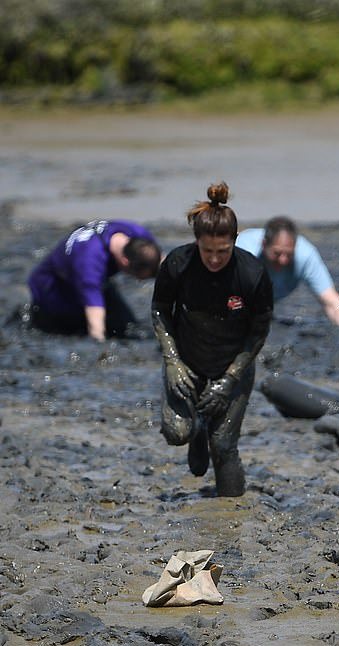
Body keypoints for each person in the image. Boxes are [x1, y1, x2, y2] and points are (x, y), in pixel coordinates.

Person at [151, 182, 273, 497]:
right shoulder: (178, 264)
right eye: (207, 251)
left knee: (223, 445)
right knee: (177, 432)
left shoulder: (252, 273)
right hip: (186, 362)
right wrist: (172, 361)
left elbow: (259, 331)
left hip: (233, 363)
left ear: (234, 241)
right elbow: (160, 311)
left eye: (222, 251)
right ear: (196, 243)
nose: (214, 259)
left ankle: (230, 512)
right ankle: (196, 428)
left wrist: (231, 378)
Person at [27, 220, 161, 340]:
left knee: (129, 328)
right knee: (80, 334)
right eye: (139, 277)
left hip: (96, 281)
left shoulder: (139, 236)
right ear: (125, 262)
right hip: (54, 292)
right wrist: (101, 351)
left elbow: (163, 262)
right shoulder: (89, 262)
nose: (139, 281)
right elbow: (95, 325)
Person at [235, 215, 339, 327]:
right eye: (277, 253)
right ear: (264, 244)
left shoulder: (305, 255)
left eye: (288, 254)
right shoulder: (244, 253)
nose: (283, 260)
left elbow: (332, 302)